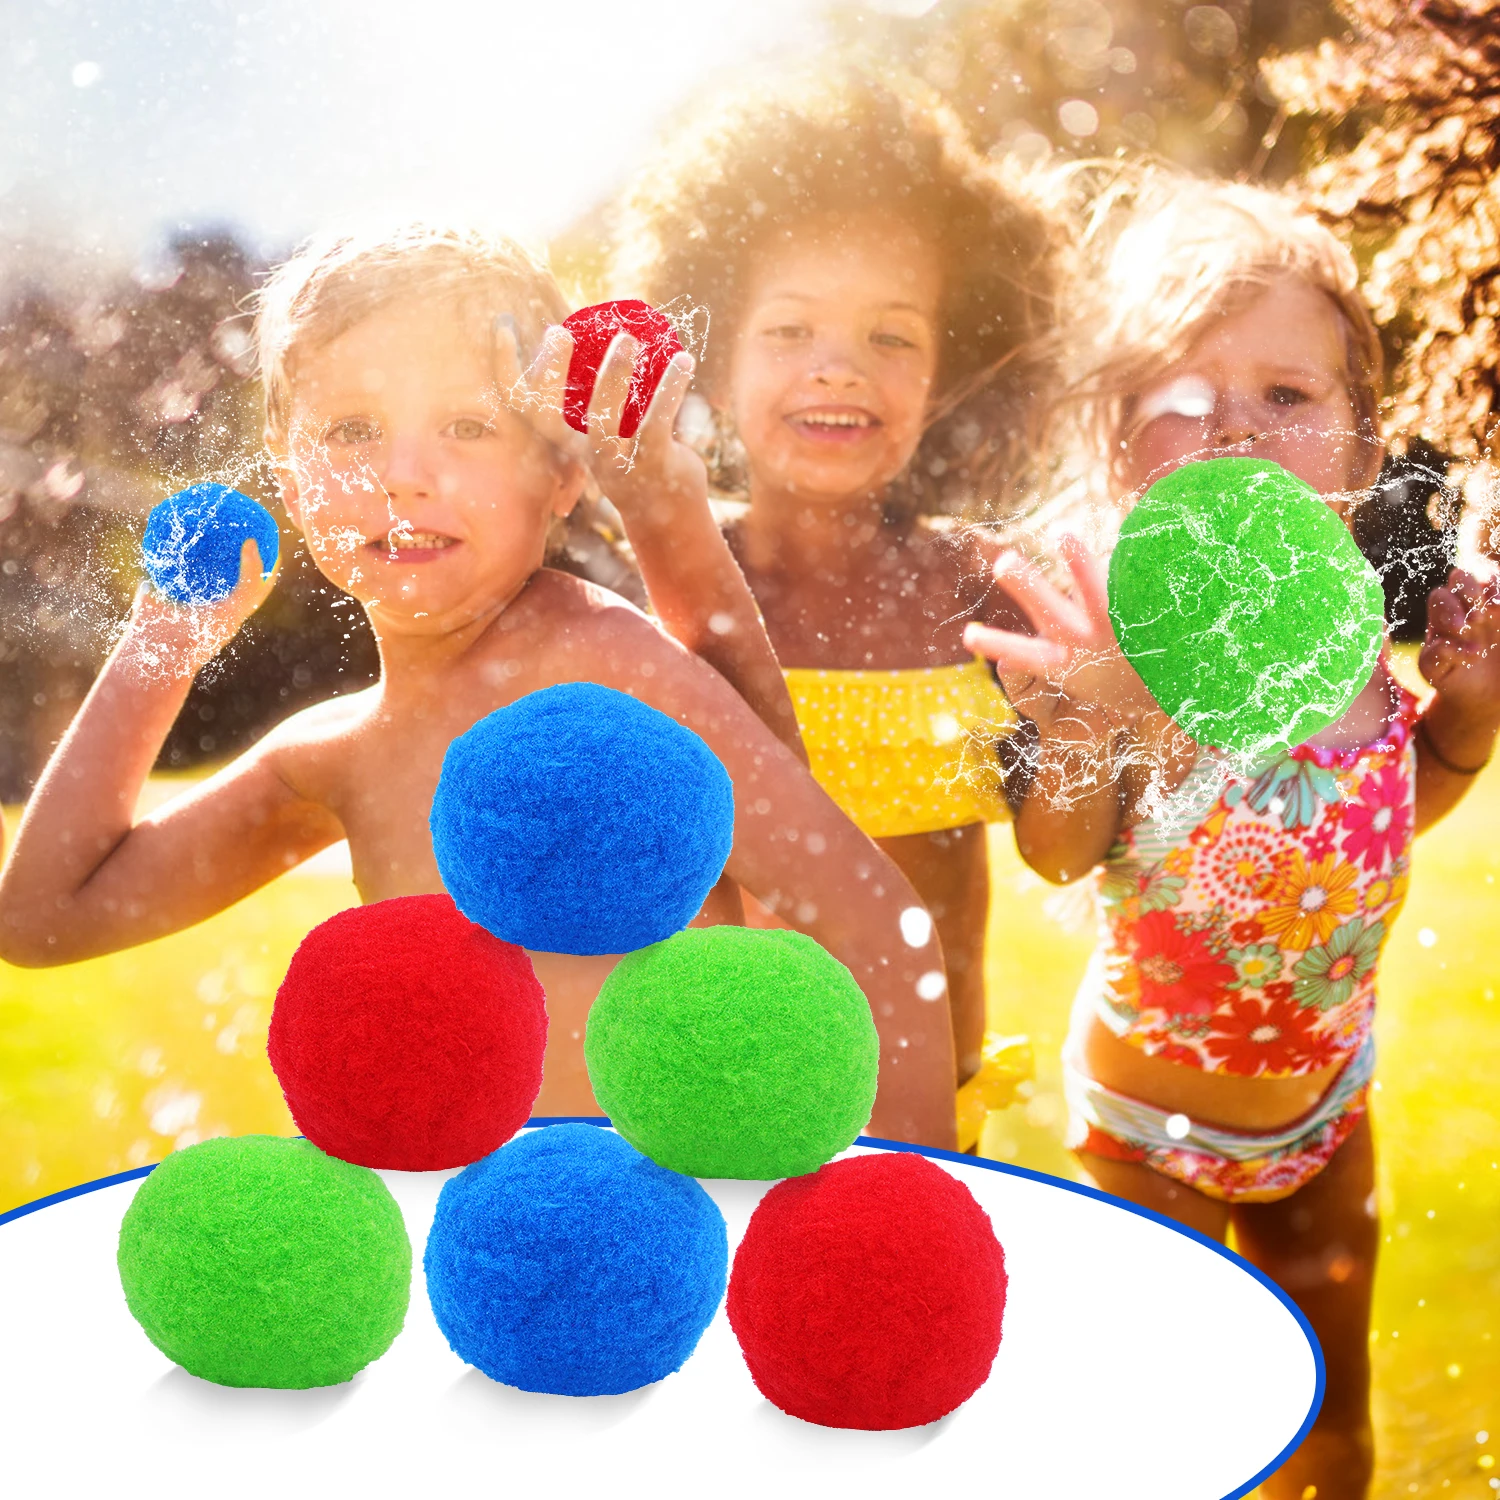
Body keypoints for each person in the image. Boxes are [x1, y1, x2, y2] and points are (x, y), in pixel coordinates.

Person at [0, 224, 957, 1150]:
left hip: (685, 1234)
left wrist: (906, 1193)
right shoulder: (335, 756)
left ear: (561, 475)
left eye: (466, 425)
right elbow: (44, 919)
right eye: (352, 429)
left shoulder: (602, 666)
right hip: (482, 1250)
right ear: (289, 481)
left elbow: (875, 923)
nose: (405, 475)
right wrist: (167, 639)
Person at [965, 169, 1500, 1499]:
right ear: (1114, 442)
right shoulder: (1120, 644)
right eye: (1186, 402)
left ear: (1364, 449)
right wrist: (1096, 718)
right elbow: (1056, 853)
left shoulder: (1366, 647)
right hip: (1148, 1122)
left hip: (1327, 1104)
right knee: (1179, 1434)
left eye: (1287, 397)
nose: (1236, 435)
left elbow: (1387, 810)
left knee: (1333, 1433)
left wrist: (1469, 718)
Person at [610, 69, 1062, 1097]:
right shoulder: (658, 593)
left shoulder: (987, 590)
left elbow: (1067, 847)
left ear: (945, 374)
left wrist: (1082, 717)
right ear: (713, 371)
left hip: (927, 1107)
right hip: (723, 1106)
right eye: (789, 331)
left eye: (892, 336)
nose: (839, 368)